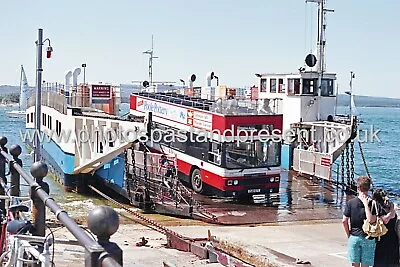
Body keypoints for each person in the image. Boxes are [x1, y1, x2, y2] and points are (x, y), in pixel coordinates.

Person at [343, 176, 377, 267]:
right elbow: (372, 220)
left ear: (358, 188)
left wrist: (348, 234)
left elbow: (344, 220)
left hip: (354, 236)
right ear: (369, 188)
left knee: (355, 264)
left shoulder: (350, 203)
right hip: (368, 237)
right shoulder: (373, 203)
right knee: (365, 265)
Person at [372, 189, 399, 267]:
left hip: (384, 237)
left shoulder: (378, 208)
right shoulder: (384, 209)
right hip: (388, 237)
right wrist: (391, 209)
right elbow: (385, 220)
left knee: (382, 261)